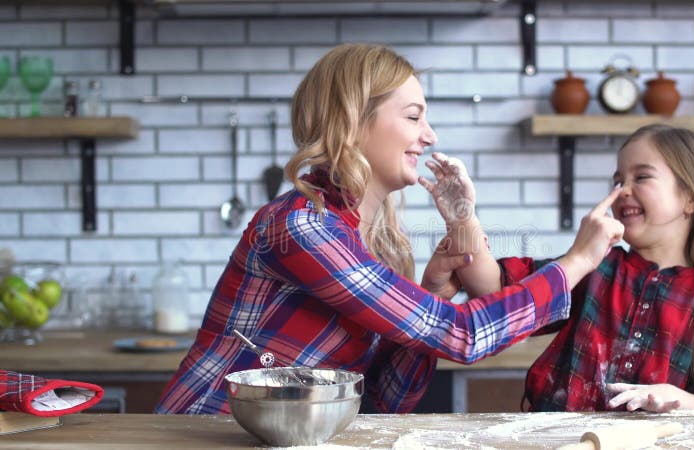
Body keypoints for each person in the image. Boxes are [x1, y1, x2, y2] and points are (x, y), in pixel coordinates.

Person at [154, 43, 617, 415]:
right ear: (353, 122)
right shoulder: (302, 226)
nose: (430, 135)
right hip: (205, 432)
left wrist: (434, 288)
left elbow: (391, 399)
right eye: (414, 116)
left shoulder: (371, 239)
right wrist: (578, 260)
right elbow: (463, 336)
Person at [430, 124, 694, 412]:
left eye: (641, 177)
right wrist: (462, 215)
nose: (622, 191)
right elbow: (492, 289)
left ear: (690, 198)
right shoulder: (594, 266)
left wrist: (676, 400)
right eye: (617, 180)